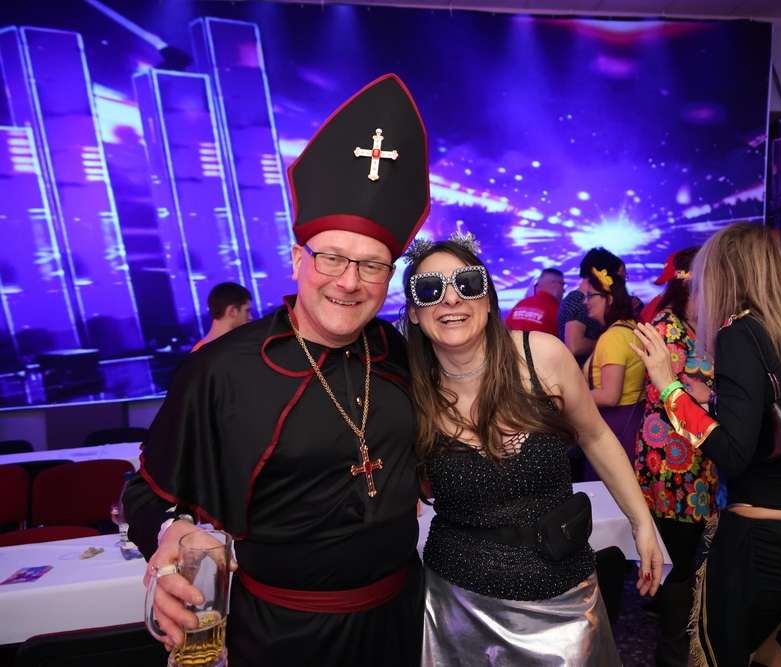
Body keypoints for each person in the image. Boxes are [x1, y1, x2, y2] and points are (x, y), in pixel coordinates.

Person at [123, 74, 430, 665]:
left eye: (372, 266)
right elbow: (146, 490)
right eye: (332, 258)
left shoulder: (394, 351)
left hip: (401, 620)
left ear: (389, 278)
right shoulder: (221, 369)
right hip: (281, 636)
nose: (349, 281)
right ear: (296, 260)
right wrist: (169, 536)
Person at [403, 238, 663, 666]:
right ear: (414, 312)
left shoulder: (541, 356)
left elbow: (596, 437)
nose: (451, 298)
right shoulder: (410, 390)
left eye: (468, 283)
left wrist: (642, 522)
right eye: (430, 289)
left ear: (488, 299)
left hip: (564, 599)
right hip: (458, 607)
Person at [631, 222, 781, 667]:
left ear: (725, 274)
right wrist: (712, 399)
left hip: (764, 539)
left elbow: (733, 454)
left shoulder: (739, 332)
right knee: (765, 646)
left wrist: (668, 386)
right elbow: (766, 415)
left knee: (721, 653)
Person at [631, 247, 721, 666]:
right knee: (678, 557)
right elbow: (671, 397)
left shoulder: (706, 326)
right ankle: (672, 652)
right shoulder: (666, 329)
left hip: (702, 459)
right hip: (673, 464)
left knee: (692, 554)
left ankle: (688, 634)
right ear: (690, 288)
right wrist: (710, 396)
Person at [582, 266, 646, 473]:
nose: (585, 302)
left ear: (608, 299)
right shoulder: (631, 328)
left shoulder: (614, 337)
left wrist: (570, 396)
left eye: (590, 296)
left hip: (615, 428)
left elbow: (610, 396)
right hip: (632, 424)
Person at [559, 247, 624, 366]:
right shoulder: (578, 299)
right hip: (579, 373)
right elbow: (575, 346)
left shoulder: (581, 298)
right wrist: (610, 342)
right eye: (614, 275)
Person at [191, 282, 253, 352]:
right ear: (232, 311)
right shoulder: (202, 353)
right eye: (247, 311)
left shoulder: (199, 351)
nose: (250, 317)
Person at [505, 267, 565, 336]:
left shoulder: (521, 304)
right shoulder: (557, 310)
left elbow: (506, 329)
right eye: (562, 285)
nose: (564, 290)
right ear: (555, 284)